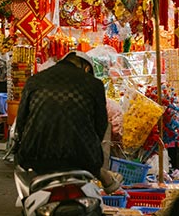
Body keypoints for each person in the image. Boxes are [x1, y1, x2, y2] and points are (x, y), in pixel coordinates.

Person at [14, 51, 122, 193]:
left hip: (35, 154)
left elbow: (21, 120)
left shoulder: (35, 80)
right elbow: (100, 125)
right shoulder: (94, 84)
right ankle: (104, 176)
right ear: (86, 68)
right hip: (81, 157)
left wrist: (21, 145)